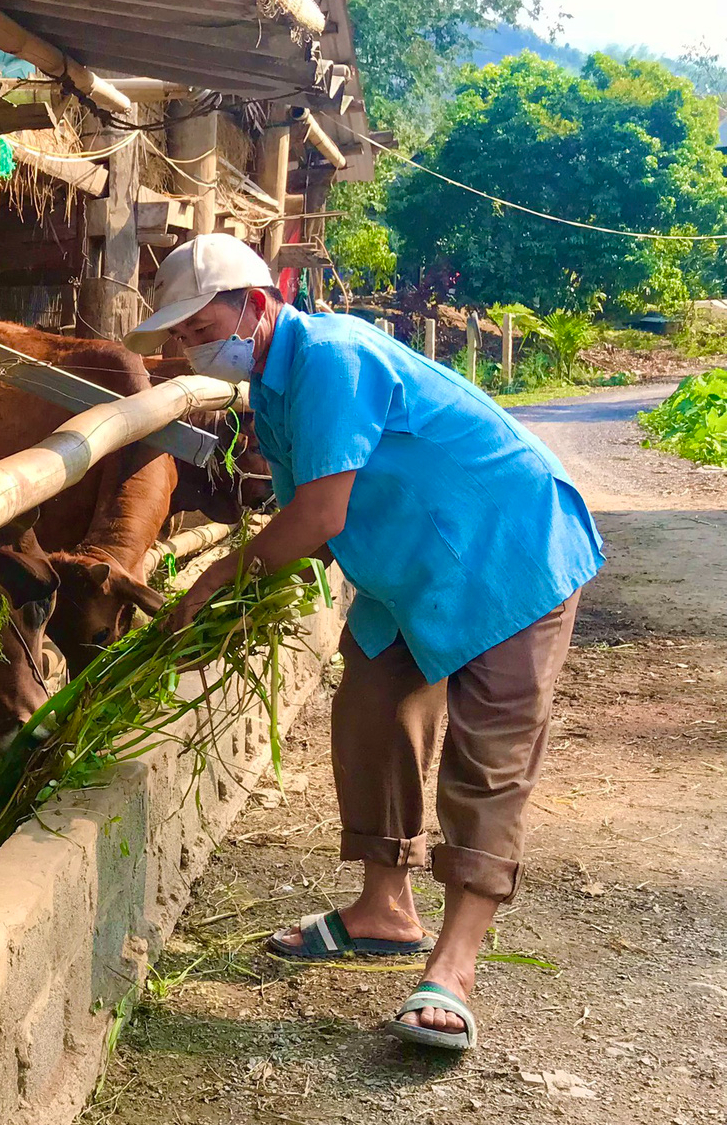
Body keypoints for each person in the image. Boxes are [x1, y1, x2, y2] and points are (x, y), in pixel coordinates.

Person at [126, 235, 603, 1051]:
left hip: (507, 549)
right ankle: (385, 908)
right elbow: (311, 525)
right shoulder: (273, 393)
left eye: (201, 329)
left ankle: (453, 971)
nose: (191, 349)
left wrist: (213, 584)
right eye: (179, 338)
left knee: (487, 759)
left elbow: (318, 517)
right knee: (371, 707)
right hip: (412, 567)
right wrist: (233, 602)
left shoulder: (331, 360)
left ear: (257, 304)